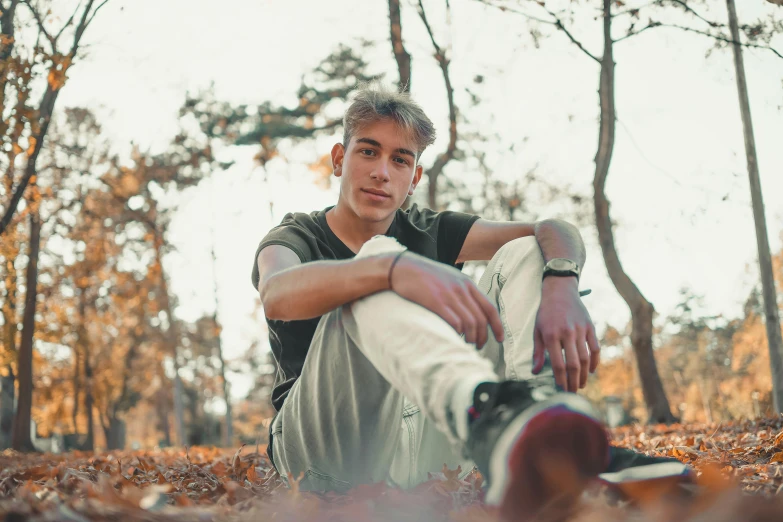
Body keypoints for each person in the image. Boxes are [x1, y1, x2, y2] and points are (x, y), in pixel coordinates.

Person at [252, 83, 689, 519]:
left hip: (430, 451)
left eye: (400, 159)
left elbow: (553, 228)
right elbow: (275, 294)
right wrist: (390, 270)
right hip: (321, 459)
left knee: (526, 248)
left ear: (414, 178)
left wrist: (562, 281)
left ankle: (535, 435)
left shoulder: (429, 229)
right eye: (368, 152)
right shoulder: (297, 236)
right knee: (378, 255)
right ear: (338, 160)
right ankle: (493, 411)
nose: (382, 171)